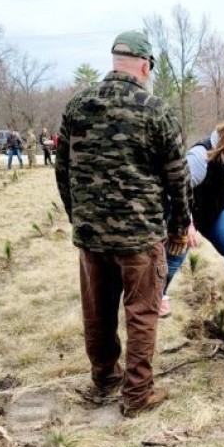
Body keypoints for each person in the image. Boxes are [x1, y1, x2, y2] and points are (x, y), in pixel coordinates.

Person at [55, 30, 191, 417]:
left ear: (115, 60)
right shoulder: (154, 109)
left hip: (92, 236)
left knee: (97, 310)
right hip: (139, 236)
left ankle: (105, 377)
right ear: (145, 65)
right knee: (141, 311)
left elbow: (62, 170)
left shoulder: (77, 105)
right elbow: (177, 177)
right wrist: (180, 226)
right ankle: (137, 393)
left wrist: (78, 217)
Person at [160, 118, 224, 317]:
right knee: (174, 257)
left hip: (216, 212)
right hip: (188, 210)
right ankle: (156, 297)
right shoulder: (200, 156)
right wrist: (185, 221)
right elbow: (178, 189)